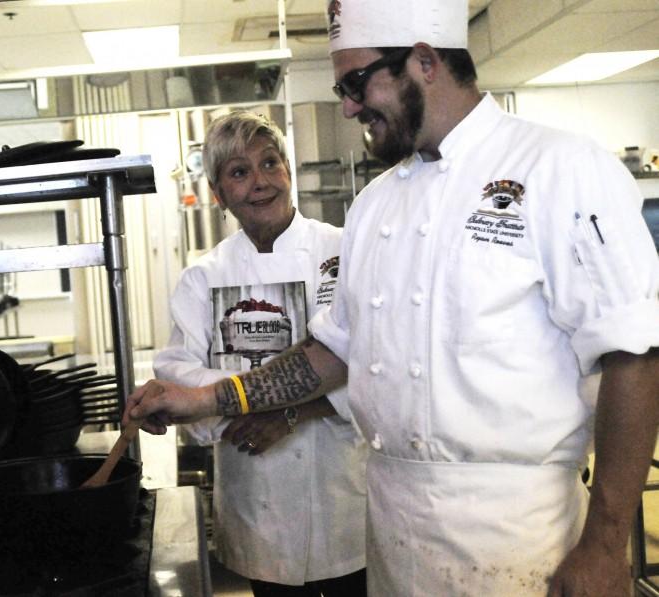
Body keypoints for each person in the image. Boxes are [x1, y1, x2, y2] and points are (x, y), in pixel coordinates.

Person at [126, 1, 659, 595]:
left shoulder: (560, 167)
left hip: (518, 529)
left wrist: (607, 541)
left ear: (425, 62)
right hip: (391, 528)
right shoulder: (375, 205)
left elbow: (635, 356)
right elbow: (330, 353)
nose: (349, 106)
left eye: (356, 83)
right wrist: (202, 399)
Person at [153, 110, 368, 596]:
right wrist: (253, 405)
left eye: (270, 164)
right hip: (258, 495)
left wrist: (296, 411)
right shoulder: (203, 277)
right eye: (239, 172)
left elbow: (378, 359)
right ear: (218, 195)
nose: (260, 182)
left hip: (343, 494)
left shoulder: (344, 251)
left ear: (288, 172)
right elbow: (177, 370)